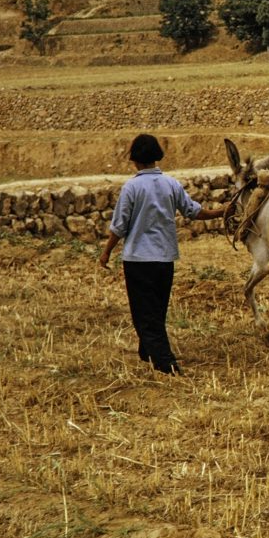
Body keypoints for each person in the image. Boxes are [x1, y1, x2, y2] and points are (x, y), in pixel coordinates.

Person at [99, 134, 225, 375]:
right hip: (165, 259)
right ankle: (148, 351)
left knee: (144, 315)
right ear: (156, 157)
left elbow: (119, 227)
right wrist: (221, 212)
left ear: (135, 160)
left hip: (138, 260)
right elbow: (194, 212)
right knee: (156, 310)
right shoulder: (171, 184)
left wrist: (106, 252)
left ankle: (166, 364)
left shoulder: (131, 188)